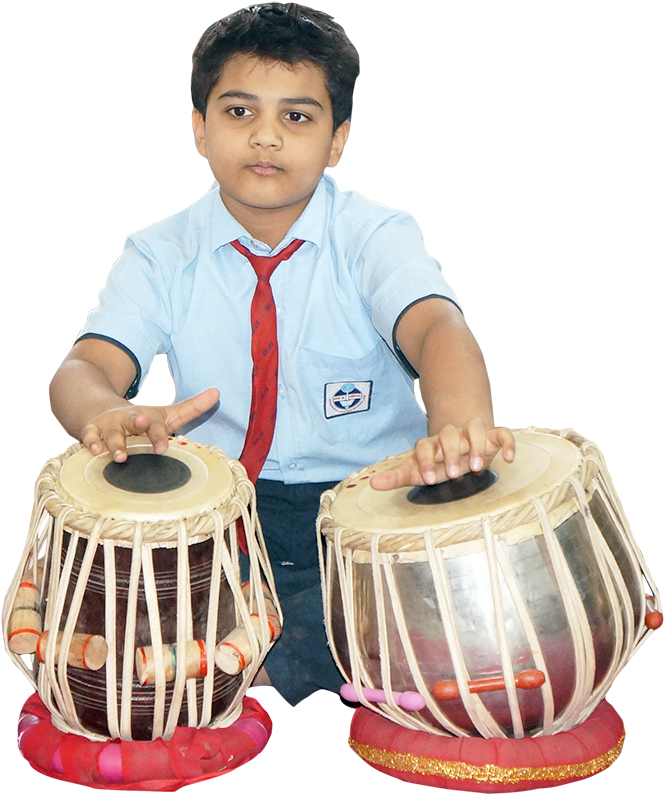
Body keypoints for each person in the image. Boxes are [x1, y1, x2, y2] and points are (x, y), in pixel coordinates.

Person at [48, 3, 514, 706]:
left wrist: (457, 427)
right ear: (199, 128)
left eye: (297, 117)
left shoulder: (375, 233)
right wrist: (110, 414)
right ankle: (321, 655)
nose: (266, 137)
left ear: (338, 140)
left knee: (463, 589)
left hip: (373, 501)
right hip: (227, 509)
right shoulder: (158, 251)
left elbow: (436, 330)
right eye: (239, 112)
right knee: (109, 597)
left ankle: (245, 661)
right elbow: (82, 370)